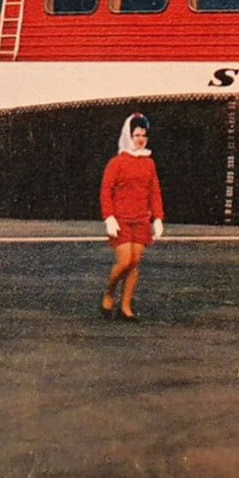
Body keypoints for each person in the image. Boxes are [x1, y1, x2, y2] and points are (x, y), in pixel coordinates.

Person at [99, 112, 164, 322]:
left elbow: (154, 191)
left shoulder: (149, 163)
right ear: (129, 135)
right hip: (121, 219)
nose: (141, 139)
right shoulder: (116, 163)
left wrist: (158, 218)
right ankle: (109, 293)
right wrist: (109, 217)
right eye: (136, 134)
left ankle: (125, 307)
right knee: (125, 261)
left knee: (134, 263)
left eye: (144, 135)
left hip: (141, 219)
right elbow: (106, 191)